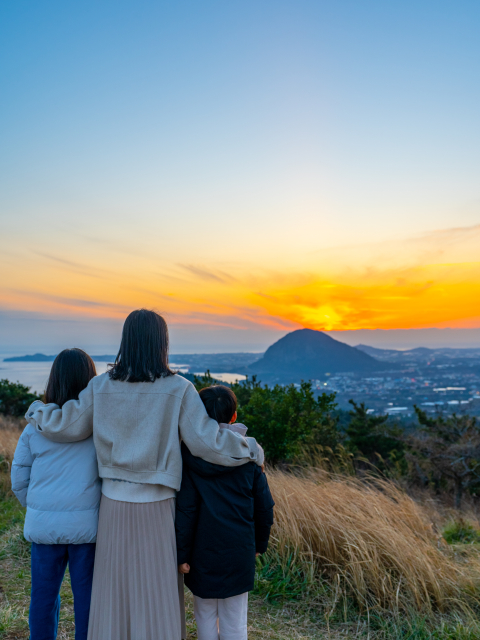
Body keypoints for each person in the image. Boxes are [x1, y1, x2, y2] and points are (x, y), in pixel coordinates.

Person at [25, 309, 264, 640]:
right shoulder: (179, 388)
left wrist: (37, 410)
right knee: (156, 597)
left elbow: (66, 425)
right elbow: (207, 443)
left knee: (114, 596)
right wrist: (251, 449)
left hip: (113, 506)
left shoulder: (100, 386)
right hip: (158, 508)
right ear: (162, 343)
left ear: (126, 341)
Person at [11, 348, 101, 640]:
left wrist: (38, 508)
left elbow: (19, 480)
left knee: (43, 598)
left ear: (53, 380)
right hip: (87, 530)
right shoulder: (97, 426)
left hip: (44, 528)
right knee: (87, 601)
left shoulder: (34, 427)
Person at [176, 385, 274, 640]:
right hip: (239, 551)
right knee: (235, 620)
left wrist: (182, 554)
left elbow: (186, 510)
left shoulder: (189, 457)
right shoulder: (250, 457)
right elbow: (264, 507)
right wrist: (259, 544)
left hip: (201, 554)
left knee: (205, 616)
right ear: (234, 416)